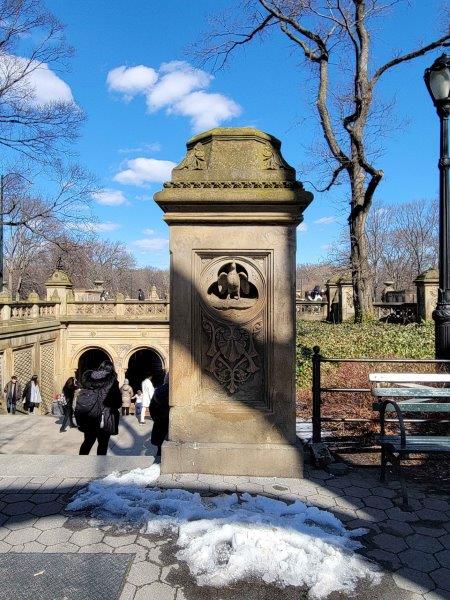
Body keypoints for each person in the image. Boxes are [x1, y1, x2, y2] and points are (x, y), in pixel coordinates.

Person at [76, 360, 122, 455]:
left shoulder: (88, 379)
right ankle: (100, 467)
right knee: (103, 444)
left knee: (88, 441)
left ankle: (80, 463)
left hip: (89, 416)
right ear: (111, 369)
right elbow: (117, 403)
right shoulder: (112, 381)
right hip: (105, 417)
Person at [150, 373, 169, 457]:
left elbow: (152, 408)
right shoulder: (177, 391)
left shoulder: (158, 390)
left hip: (160, 422)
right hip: (170, 422)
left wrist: (156, 418)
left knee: (160, 450)